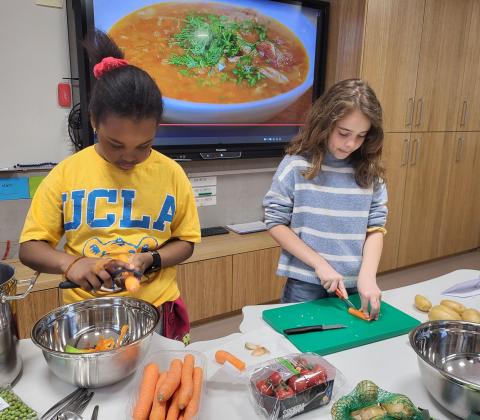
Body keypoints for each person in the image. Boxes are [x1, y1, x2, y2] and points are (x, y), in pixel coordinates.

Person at [19, 31, 200, 343]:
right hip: (87, 313)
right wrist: (71, 263)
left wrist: (150, 259)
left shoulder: (172, 174)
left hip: (156, 308)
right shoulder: (67, 174)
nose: (129, 158)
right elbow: (29, 248)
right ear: (93, 121)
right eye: (115, 144)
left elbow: (186, 241)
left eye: (144, 146)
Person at [263, 79, 387, 319]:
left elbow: (376, 228)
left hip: (355, 283)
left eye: (361, 136)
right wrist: (319, 263)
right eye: (343, 133)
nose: (351, 143)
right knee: (301, 351)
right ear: (325, 123)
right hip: (306, 283)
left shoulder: (369, 171)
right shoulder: (296, 164)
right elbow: (275, 222)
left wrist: (368, 277)